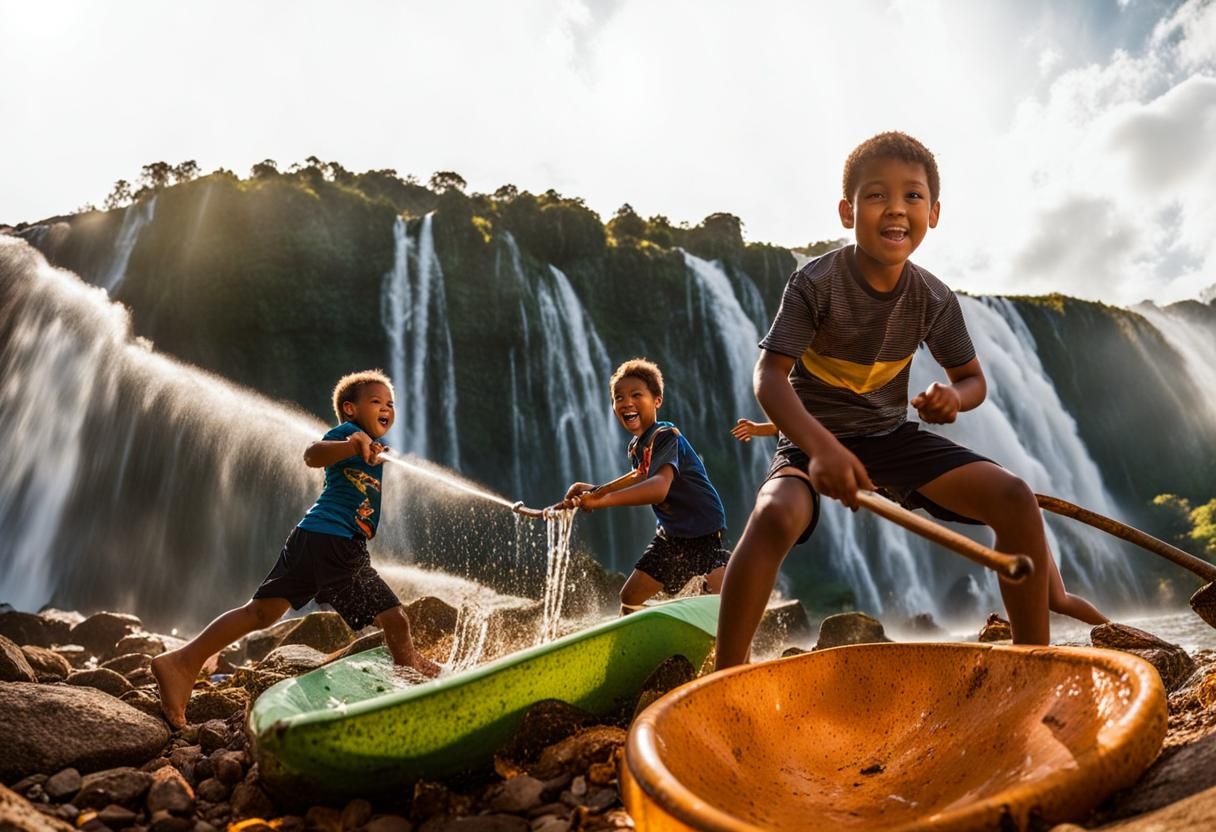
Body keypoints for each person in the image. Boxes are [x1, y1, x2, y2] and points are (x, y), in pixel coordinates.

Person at [716, 132, 1106, 669]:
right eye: (877, 195)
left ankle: (1030, 663)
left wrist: (954, 396)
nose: (896, 208)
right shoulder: (815, 282)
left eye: (913, 196)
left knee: (1015, 497)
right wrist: (821, 448)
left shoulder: (933, 297)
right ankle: (726, 675)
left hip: (890, 438)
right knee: (774, 516)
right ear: (847, 210)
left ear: (935, 213)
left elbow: (973, 379)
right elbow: (770, 376)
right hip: (812, 442)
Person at [152, 370, 439, 728]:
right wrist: (352, 445)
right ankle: (408, 672)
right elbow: (312, 455)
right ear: (350, 410)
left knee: (261, 613)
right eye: (376, 401)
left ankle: (182, 661)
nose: (387, 408)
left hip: (310, 538)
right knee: (394, 618)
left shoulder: (370, 447)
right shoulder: (348, 435)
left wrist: (368, 452)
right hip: (334, 543)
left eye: (391, 403)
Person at [562, 359, 730, 615]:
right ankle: (639, 647)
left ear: (657, 400)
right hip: (671, 536)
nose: (626, 402)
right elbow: (639, 476)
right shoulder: (638, 446)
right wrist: (597, 489)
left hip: (705, 533)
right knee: (630, 596)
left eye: (636, 394)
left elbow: (658, 488)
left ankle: (728, 626)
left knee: (722, 602)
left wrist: (601, 501)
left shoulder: (665, 436)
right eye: (618, 397)